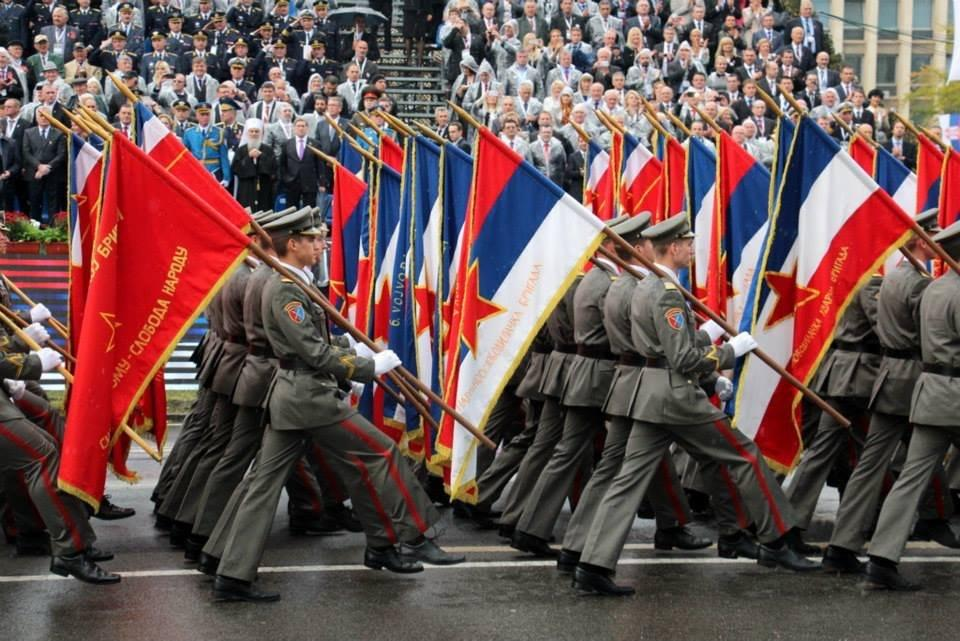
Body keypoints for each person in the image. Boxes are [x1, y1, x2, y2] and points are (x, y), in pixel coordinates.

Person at [212, 208, 463, 602]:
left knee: (264, 485)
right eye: (312, 239)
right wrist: (368, 366)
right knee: (381, 452)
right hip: (309, 398)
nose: (320, 244)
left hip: (296, 396)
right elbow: (311, 351)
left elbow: (315, 342)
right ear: (291, 244)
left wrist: (353, 347)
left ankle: (232, 572)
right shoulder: (285, 289)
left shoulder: (296, 281)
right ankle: (413, 536)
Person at [573, 213, 818, 597]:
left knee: (627, 481)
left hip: (650, 396)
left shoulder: (645, 285)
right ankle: (776, 540)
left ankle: (592, 563)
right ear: (672, 248)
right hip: (675, 397)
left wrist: (707, 357)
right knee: (745, 455)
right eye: (687, 243)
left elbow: (666, 349)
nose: (691, 248)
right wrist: (727, 353)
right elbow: (683, 359)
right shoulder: (666, 292)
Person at [231, 118, 277, 211]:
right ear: (247, 133)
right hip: (246, 188)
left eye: (256, 131)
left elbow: (273, 168)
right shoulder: (241, 150)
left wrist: (261, 156)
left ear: (260, 134)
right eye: (251, 131)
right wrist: (248, 157)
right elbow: (235, 169)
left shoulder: (268, 150)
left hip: (264, 187)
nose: (254, 134)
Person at [182, 103, 231, 185]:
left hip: (215, 170)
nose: (205, 117)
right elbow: (185, 155)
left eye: (207, 114)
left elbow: (224, 156)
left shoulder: (219, 132)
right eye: (202, 114)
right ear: (197, 115)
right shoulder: (189, 133)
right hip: (197, 170)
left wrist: (226, 177)